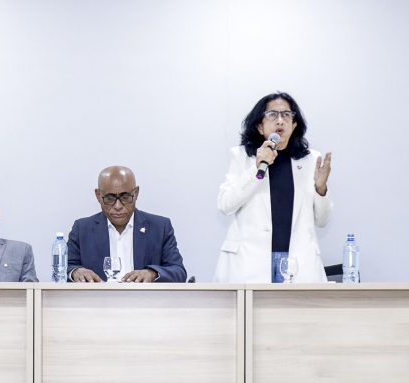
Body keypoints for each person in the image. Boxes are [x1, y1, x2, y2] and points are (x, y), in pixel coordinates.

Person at [213, 92, 333, 283]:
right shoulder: (242, 157)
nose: (280, 120)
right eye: (272, 115)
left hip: (298, 264)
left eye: (286, 115)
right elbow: (225, 205)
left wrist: (321, 189)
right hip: (249, 262)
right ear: (260, 126)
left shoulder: (311, 160)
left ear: (294, 124)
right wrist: (256, 169)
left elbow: (323, 221)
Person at [67, 166, 186, 283]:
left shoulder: (160, 227)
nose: (118, 206)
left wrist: (152, 273)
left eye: (125, 197)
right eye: (109, 198)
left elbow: (178, 272)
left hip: (144, 296)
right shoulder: (82, 229)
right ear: (98, 195)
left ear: (136, 193)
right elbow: (66, 267)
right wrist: (76, 272)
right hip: (99, 296)